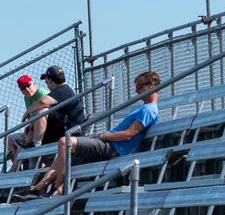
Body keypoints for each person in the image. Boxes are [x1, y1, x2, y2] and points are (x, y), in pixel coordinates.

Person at [32, 71, 161, 196]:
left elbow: (128, 134)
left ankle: (57, 189)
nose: (136, 91)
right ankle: (38, 189)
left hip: (112, 147)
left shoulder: (148, 110)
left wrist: (102, 136)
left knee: (65, 142)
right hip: (108, 145)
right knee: (63, 156)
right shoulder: (145, 108)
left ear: (151, 86)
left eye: (139, 86)